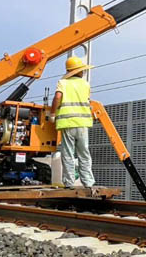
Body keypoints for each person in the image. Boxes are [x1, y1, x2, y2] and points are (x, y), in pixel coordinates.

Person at [50, 56, 96, 191]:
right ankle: (88, 182)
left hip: (67, 123)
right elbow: (87, 101)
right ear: (78, 71)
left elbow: (57, 97)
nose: (83, 72)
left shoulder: (63, 83)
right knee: (84, 153)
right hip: (82, 123)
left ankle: (69, 182)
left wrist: (52, 114)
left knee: (68, 153)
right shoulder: (86, 84)